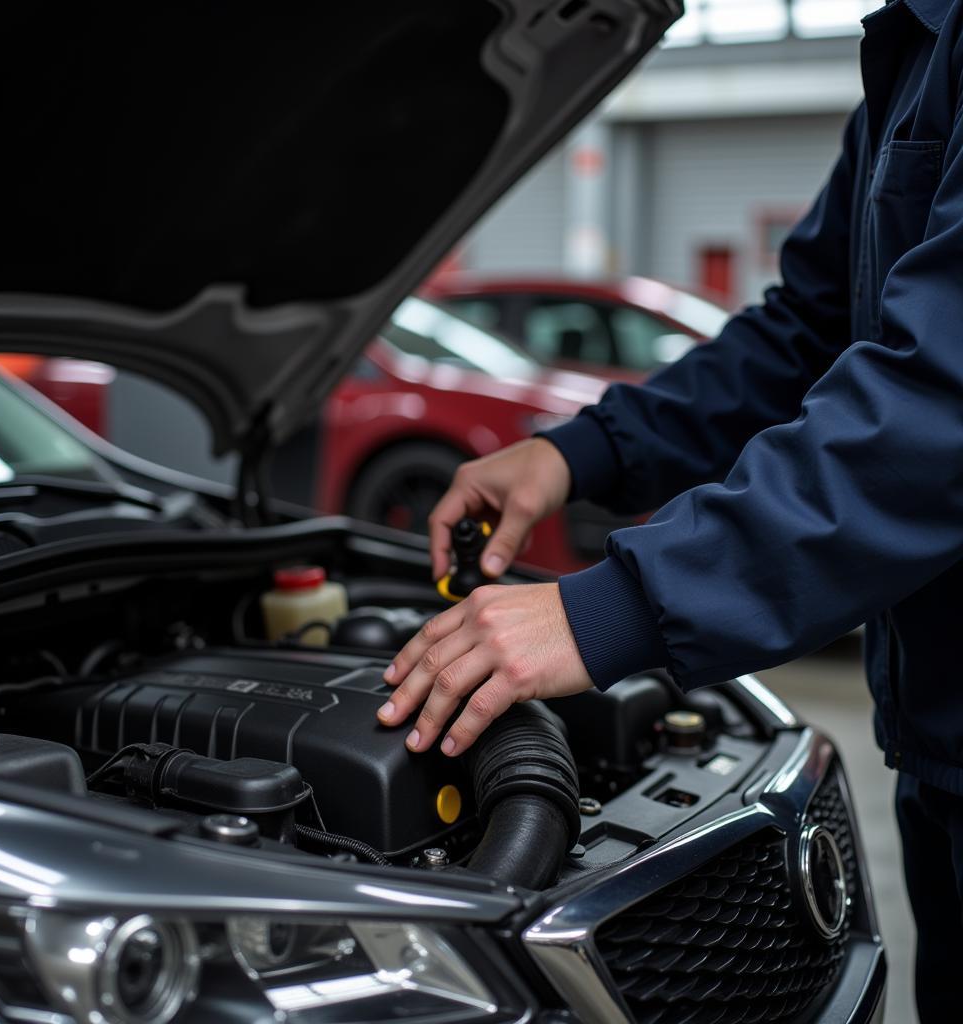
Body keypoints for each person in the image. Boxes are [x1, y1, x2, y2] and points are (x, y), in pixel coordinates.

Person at [376, 1, 963, 1017]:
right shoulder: (916, 46)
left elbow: (937, 407)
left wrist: (613, 609)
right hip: (940, 744)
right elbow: (803, 334)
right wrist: (578, 451)